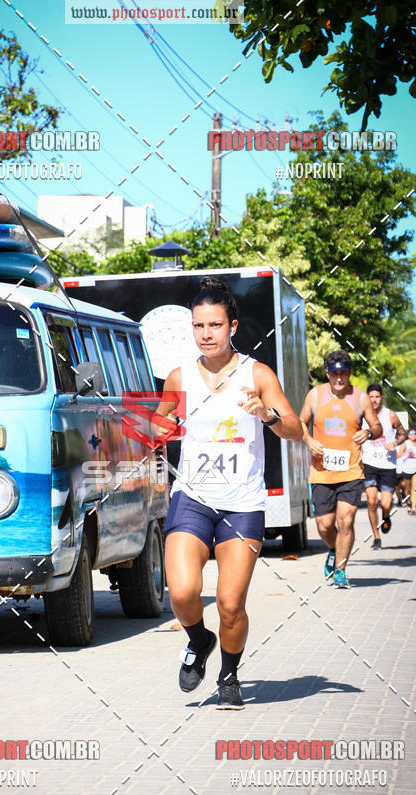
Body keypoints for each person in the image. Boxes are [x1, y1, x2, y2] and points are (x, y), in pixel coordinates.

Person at [155, 277, 302, 710]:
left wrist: (268, 414)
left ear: (232, 326)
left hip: (243, 504)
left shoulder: (257, 373)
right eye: (199, 326)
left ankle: (230, 675)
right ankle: (199, 641)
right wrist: (151, 430)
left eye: (215, 325)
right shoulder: (180, 376)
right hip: (193, 497)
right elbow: (160, 424)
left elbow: (294, 428)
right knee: (182, 592)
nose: (206, 334)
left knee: (230, 603)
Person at [300, 350, 382, 589]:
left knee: (345, 520)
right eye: (334, 373)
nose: (338, 378)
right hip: (322, 471)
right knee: (325, 525)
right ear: (327, 373)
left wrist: (367, 432)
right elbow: (300, 422)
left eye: (343, 373)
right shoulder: (315, 395)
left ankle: (341, 570)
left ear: (350, 373)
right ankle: (334, 550)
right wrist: (308, 441)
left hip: (351, 471)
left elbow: (376, 427)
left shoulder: (361, 397)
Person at [361, 383, 407, 549]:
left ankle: (386, 516)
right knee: (372, 501)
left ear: (381, 398)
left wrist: (394, 442)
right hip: (368, 463)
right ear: (367, 397)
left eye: (377, 397)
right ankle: (377, 537)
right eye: (371, 397)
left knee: (386, 504)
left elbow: (404, 433)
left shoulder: (391, 415)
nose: (374, 400)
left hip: (387, 465)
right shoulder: (361, 416)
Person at [398, 429, 416, 515]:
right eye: (411, 434)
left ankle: (413, 508)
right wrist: (406, 452)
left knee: (415, 488)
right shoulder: (405, 443)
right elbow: (398, 455)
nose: (413, 435)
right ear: (408, 435)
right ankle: (408, 502)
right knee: (407, 489)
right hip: (407, 467)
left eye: (414, 434)